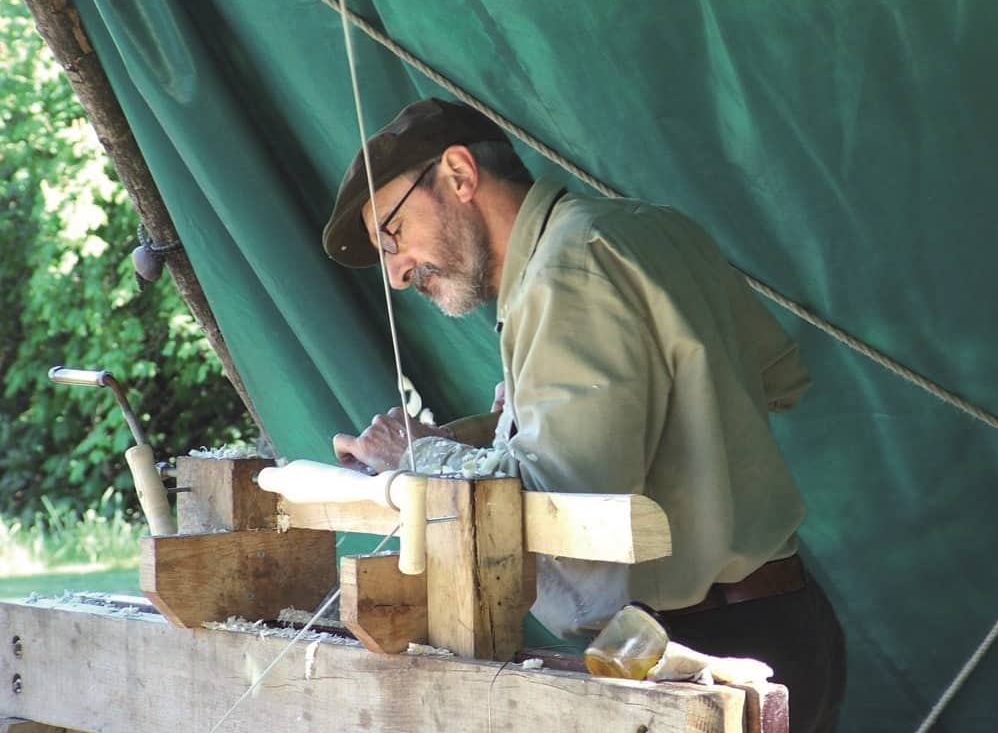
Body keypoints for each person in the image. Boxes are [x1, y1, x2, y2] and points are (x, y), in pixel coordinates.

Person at [324, 98, 845, 731]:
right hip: (786, 626)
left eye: (393, 236)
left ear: (459, 176)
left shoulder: (566, 271)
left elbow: (563, 500)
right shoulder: (647, 227)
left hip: (706, 663)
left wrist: (413, 455)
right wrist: (515, 421)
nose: (398, 274)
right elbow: (775, 378)